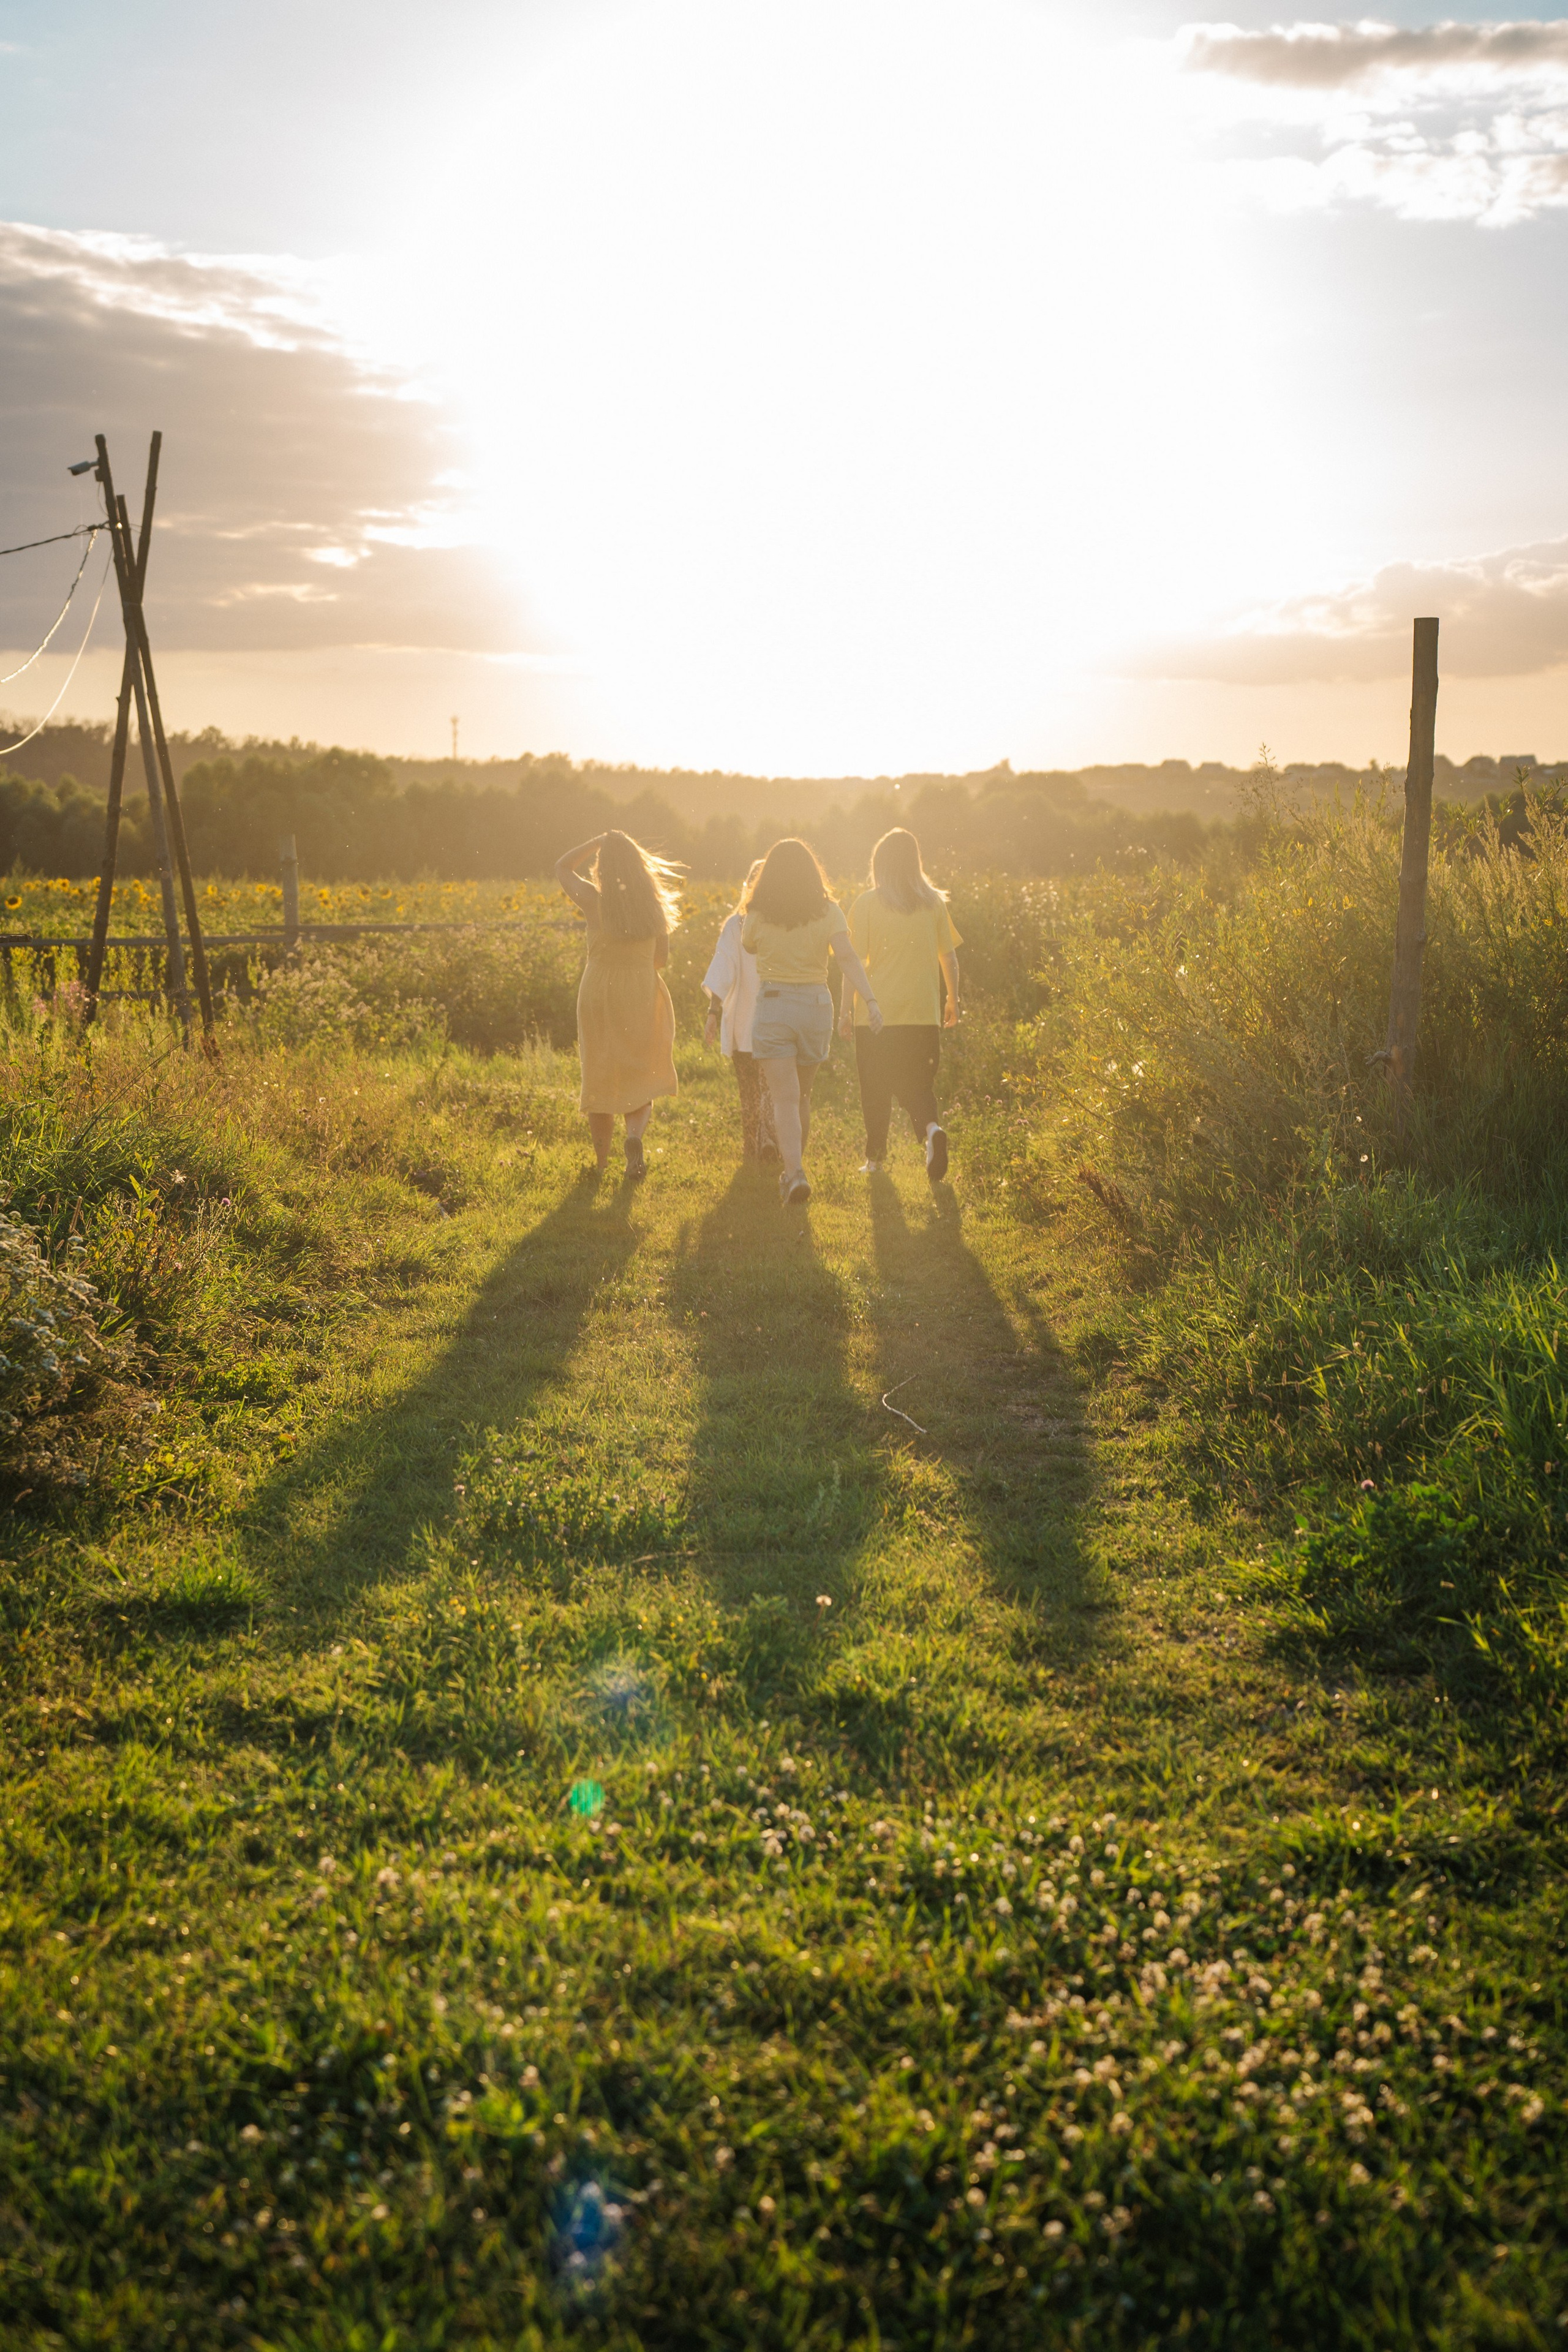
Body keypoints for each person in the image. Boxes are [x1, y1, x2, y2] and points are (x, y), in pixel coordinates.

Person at [741, 837, 882, 1207]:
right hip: (816, 1006)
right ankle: (792, 1171)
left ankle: (795, 1172)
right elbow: (848, 958)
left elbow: (749, 945)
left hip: (775, 1006)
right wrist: (870, 999)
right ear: (812, 873)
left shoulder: (758, 913)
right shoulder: (829, 911)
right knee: (802, 1095)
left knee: (783, 1099)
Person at [554, 827, 680, 1179]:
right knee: (641, 1070)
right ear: (640, 866)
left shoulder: (594, 901)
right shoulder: (654, 908)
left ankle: (600, 1164)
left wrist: (597, 842)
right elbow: (662, 961)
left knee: (600, 1072)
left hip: (599, 990)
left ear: (603, 867)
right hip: (640, 989)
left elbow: (562, 867)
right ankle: (635, 1138)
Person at [843, 826, 961, 1182]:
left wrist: (846, 1010)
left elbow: (852, 962)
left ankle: (876, 1160)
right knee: (918, 1085)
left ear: (879, 864)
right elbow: (950, 958)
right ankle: (931, 1131)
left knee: (875, 1088)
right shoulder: (934, 905)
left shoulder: (866, 904)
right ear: (915, 863)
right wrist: (953, 999)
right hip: (923, 1014)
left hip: (876, 1016)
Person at [701, 862, 778, 1162]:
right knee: (772, 1088)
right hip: (777, 1022)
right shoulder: (784, 924)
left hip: (744, 1027)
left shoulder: (737, 924)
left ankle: (754, 1147)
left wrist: (713, 1011)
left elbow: (724, 967)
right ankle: (771, 1141)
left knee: (750, 1091)